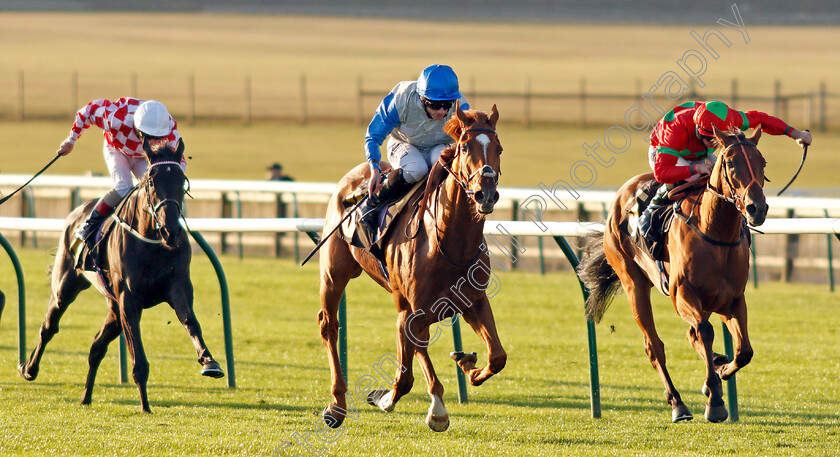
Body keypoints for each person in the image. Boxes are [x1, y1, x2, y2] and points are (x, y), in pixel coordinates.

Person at [638, 100, 812, 239]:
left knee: (723, 176)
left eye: (720, 140)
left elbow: (761, 119)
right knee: (692, 178)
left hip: (699, 154)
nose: (717, 144)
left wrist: (797, 135)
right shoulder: (676, 130)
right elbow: (661, 173)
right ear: (699, 130)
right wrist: (698, 167)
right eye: (712, 140)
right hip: (668, 154)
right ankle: (651, 209)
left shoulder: (731, 118)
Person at [56, 97, 185, 249]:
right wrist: (71, 141)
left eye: (156, 138)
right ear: (137, 128)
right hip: (117, 150)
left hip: (143, 157)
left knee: (155, 187)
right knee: (124, 187)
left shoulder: (168, 128)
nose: (151, 142)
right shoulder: (116, 117)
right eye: (147, 136)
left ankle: (161, 227)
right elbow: (85, 113)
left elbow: (179, 163)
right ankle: (89, 226)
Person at [359, 63, 470, 232]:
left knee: (444, 164)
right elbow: (373, 135)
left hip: (437, 146)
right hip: (403, 143)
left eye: (447, 105)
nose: (442, 111)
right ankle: (372, 204)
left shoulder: (460, 105)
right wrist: (374, 168)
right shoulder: (401, 99)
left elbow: (471, 138)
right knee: (417, 168)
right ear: (422, 98)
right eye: (434, 105)